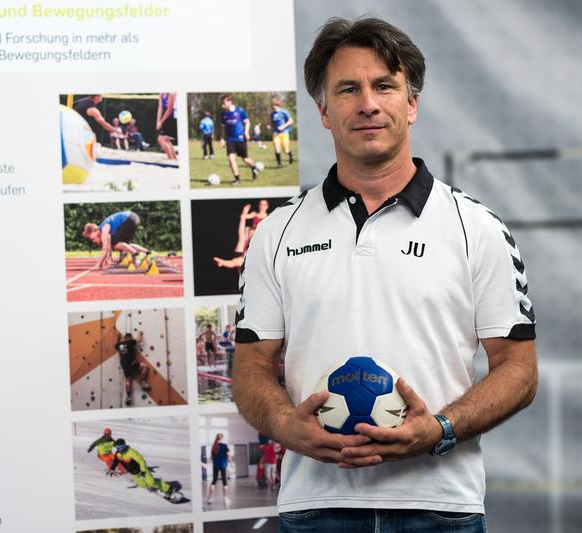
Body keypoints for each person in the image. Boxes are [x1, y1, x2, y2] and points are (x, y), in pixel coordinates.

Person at [232, 17, 537, 532]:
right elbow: (250, 368)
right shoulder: (276, 232)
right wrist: (287, 425)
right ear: (324, 111)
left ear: (411, 104)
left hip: (442, 508)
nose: (367, 103)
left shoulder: (476, 228)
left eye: (384, 86)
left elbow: (519, 370)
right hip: (315, 510)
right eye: (348, 89)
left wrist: (439, 429)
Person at [107, 439, 182, 501]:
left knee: (151, 482)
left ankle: (169, 490)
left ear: (125, 445)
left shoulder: (131, 452)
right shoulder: (118, 454)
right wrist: (112, 469)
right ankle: (154, 486)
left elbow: (141, 461)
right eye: (118, 447)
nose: (120, 449)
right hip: (134, 473)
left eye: (121, 447)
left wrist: (143, 471)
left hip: (141, 470)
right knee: (142, 484)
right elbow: (116, 461)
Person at [82, 211, 149, 270]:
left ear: (94, 230)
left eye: (90, 236)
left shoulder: (104, 229)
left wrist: (98, 265)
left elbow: (105, 249)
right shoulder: (103, 230)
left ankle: (136, 255)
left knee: (116, 244)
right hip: (133, 218)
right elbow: (108, 248)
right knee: (125, 244)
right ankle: (148, 253)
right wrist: (104, 261)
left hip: (129, 218)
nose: (91, 239)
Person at [219, 94, 260, 186]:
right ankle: (237, 178)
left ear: (230, 102)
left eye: (224, 102)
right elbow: (223, 127)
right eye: (222, 103)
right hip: (230, 139)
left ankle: (254, 167)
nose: (223, 105)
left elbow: (247, 122)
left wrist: (246, 132)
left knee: (245, 159)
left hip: (240, 138)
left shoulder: (239, 111)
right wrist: (222, 138)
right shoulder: (223, 114)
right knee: (231, 158)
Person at [212, 202, 261, 270]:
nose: (250, 234)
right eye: (249, 233)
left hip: (248, 263)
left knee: (244, 260)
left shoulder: (258, 242)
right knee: (242, 238)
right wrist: (244, 212)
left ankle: (225, 263)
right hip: (240, 256)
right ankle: (225, 262)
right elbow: (241, 230)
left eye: (252, 233)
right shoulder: (244, 239)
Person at [115, 330, 151, 406]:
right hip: (132, 363)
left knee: (128, 379)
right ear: (130, 338)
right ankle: (143, 382)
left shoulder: (119, 345)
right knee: (145, 367)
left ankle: (128, 396)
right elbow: (139, 339)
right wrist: (139, 333)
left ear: (124, 338)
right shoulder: (130, 342)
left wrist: (118, 337)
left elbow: (115, 345)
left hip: (125, 365)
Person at [206, 433, 233, 505]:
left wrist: (207, 463)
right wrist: (231, 464)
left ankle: (210, 498)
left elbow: (211, 458)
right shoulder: (224, 446)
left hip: (215, 466)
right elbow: (229, 456)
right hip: (223, 466)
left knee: (214, 481)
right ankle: (225, 498)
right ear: (222, 438)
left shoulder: (213, 446)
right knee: (224, 481)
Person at [270, 97, 295, 167]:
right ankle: (279, 164)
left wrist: (283, 126)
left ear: (277, 104)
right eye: (272, 105)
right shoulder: (272, 114)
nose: (272, 106)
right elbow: (272, 123)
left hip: (284, 133)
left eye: (273, 104)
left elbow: (291, 121)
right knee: (277, 148)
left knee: (285, 150)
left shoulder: (283, 112)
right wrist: (269, 126)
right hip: (276, 134)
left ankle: (290, 154)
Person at [156, 92, 178, 160]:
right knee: (166, 139)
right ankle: (174, 158)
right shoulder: (161, 94)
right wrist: (158, 122)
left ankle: (171, 159)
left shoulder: (171, 93)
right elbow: (160, 108)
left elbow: (169, 109)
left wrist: (161, 121)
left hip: (172, 117)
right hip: (167, 118)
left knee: (161, 139)